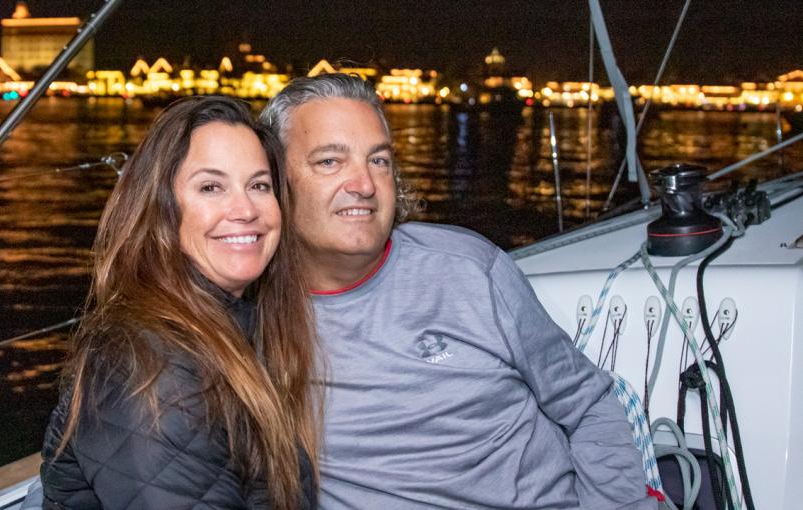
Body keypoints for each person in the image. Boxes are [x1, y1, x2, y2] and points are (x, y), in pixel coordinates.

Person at [260, 74, 659, 509]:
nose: (365, 184)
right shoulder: (255, 319)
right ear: (276, 182)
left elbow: (590, 405)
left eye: (379, 161)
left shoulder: (470, 270)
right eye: (330, 162)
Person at [39, 96, 320, 510]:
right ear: (163, 210)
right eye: (211, 187)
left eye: (259, 185)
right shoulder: (149, 365)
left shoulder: (232, 324)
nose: (245, 209)